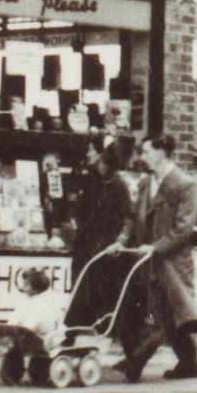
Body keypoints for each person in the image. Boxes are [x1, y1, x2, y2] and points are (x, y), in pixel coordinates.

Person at [111, 134, 197, 381]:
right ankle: (190, 365)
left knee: (160, 312)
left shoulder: (186, 185)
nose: (142, 157)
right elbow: (132, 219)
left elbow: (184, 228)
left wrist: (156, 247)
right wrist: (121, 241)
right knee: (171, 314)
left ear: (162, 153)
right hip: (145, 260)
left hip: (171, 263)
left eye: (146, 152)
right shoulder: (145, 184)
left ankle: (136, 362)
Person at [63, 136, 138, 334]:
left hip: (103, 250)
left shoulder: (119, 185)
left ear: (102, 154)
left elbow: (129, 218)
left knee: (91, 295)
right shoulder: (90, 180)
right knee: (79, 290)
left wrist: (119, 242)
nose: (87, 154)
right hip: (84, 247)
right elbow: (78, 211)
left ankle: (79, 335)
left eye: (90, 150)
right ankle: (73, 336)